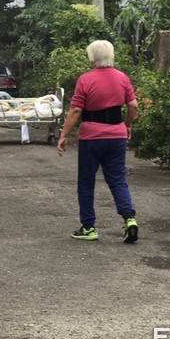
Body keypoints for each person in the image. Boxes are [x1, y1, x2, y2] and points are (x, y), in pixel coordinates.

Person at [57, 40, 140, 243]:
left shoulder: (85, 79)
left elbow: (76, 110)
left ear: (92, 58)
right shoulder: (122, 77)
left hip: (91, 137)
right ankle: (129, 218)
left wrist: (64, 135)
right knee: (118, 179)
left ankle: (88, 227)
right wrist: (126, 124)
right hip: (117, 136)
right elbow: (133, 106)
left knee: (86, 182)